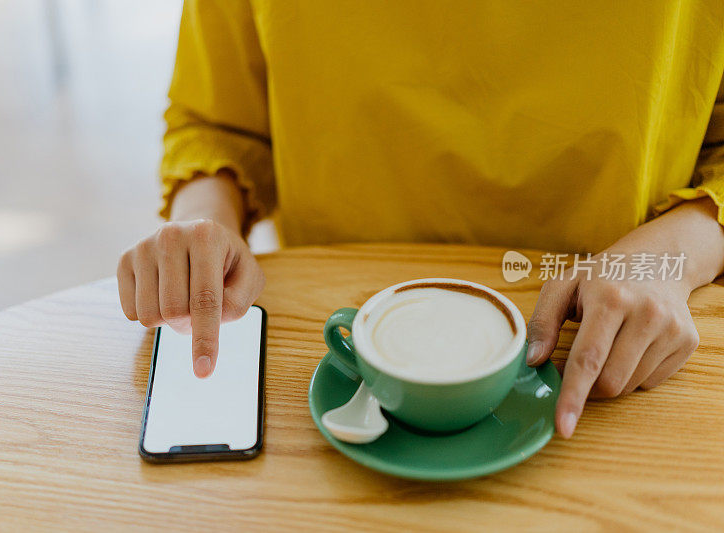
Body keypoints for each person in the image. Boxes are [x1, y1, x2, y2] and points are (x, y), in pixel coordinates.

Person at [117, 1, 724, 438]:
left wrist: (673, 253)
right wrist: (204, 225)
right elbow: (217, 123)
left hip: (618, 354)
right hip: (324, 337)